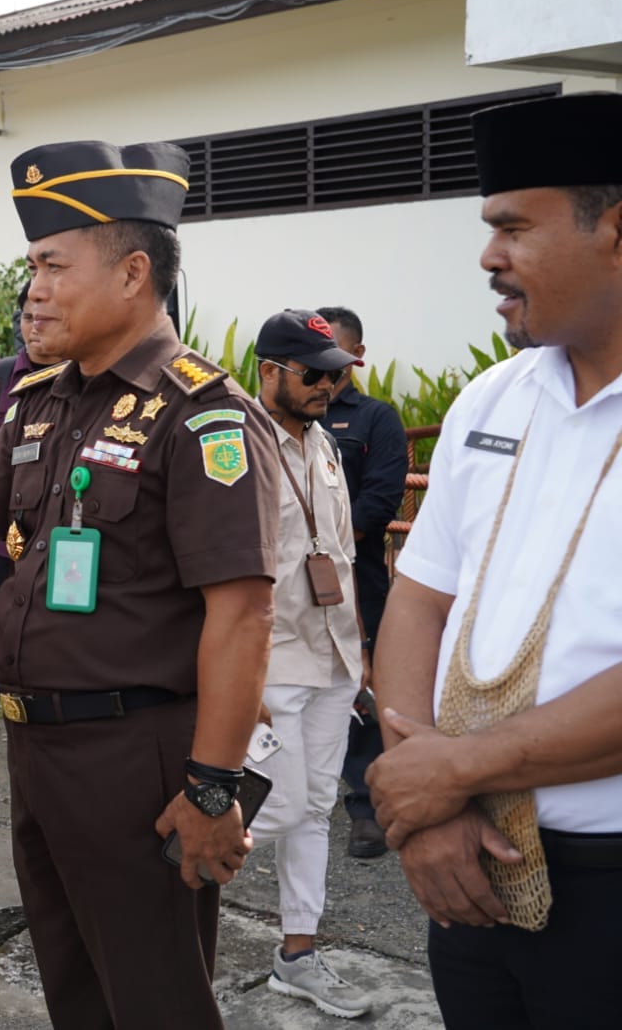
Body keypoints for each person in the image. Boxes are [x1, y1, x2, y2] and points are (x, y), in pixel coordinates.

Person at [0, 140, 280, 1029]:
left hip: (139, 758)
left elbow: (243, 614)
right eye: (30, 268)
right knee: (77, 994)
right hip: (39, 752)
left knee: (155, 1000)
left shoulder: (202, 415)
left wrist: (211, 789)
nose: (31, 290)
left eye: (52, 265)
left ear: (133, 273)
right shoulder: (42, 398)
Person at [367, 91, 622, 1028]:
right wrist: (429, 803)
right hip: (464, 867)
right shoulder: (494, 396)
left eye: (513, 227)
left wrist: (452, 770)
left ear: (617, 231)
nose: (488, 258)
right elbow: (420, 598)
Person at [247, 309, 372, 1018]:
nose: (329, 384)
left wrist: (360, 656)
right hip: (272, 656)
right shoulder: (235, 441)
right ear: (269, 369)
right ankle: (154, 875)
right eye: (313, 373)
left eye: (336, 373)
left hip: (331, 655)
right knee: (282, 801)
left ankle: (297, 953)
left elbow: (342, 555)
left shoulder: (324, 442)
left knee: (316, 806)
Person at [316, 305, 407, 859]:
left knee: (363, 688)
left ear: (357, 356)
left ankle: (368, 810)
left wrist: (321, 537)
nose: (321, 369)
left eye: (334, 355)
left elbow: (381, 497)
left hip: (357, 574)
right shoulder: (285, 411)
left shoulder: (376, 418)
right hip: (290, 581)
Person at [0, 279, 65, 592]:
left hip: (63, 545)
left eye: (44, 318)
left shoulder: (87, 378)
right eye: (27, 317)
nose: (35, 327)